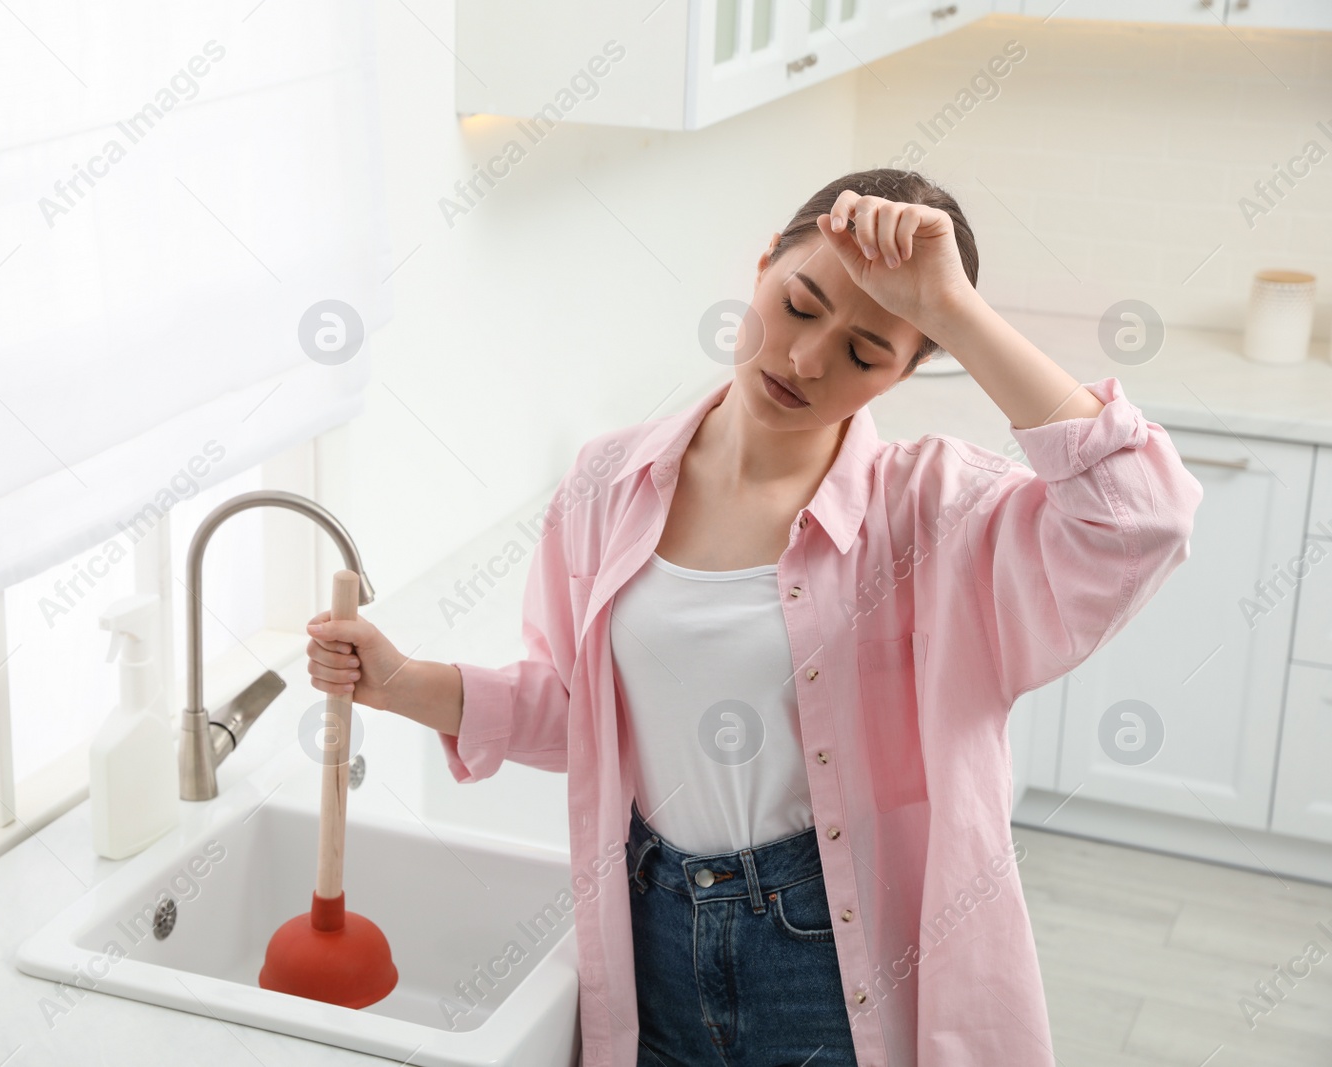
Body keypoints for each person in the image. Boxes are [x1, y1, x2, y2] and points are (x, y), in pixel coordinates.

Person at [304, 168, 1203, 1067]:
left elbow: (1142, 516)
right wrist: (405, 685)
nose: (807, 360)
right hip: (647, 934)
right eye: (800, 304)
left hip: (830, 962)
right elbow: (587, 713)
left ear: (909, 368)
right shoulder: (605, 484)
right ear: (765, 262)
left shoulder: (938, 512)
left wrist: (953, 308)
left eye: (864, 352)